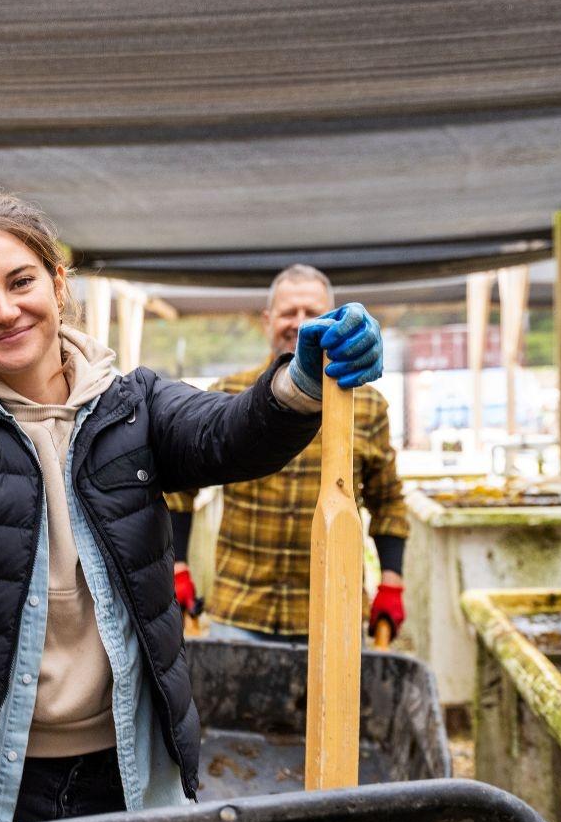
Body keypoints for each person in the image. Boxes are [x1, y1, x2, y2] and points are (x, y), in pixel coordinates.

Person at [0, 195, 382, 822]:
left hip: (124, 771)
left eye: (20, 281)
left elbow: (226, 435)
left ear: (57, 281)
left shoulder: (134, 403)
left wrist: (298, 385)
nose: (5, 310)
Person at [167, 264, 408, 643]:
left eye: (313, 313)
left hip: (333, 614)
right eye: (288, 313)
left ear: (334, 319)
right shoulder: (227, 393)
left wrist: (392, 582)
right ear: (267, 321)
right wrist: (177, 567)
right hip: (240, 613)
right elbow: (178, 486)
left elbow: (388, 501)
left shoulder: (368, 407)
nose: (299, 323)